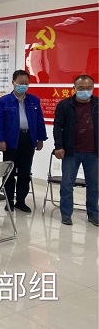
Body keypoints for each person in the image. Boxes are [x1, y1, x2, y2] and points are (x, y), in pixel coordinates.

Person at [0, 70, 47, 213]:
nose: (23, 85)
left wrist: (41, 138)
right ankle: (9, 201)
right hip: (10, 140)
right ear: (13, 83)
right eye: (20, 83)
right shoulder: (3, 101)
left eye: (26, 83)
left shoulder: (34, 100)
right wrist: (0, 140)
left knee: (25, 172)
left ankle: (21, 201)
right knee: (9, 172)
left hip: (28, 139)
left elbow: (39, 121)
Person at [53, 74, 98, 226]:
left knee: (94, 186)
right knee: (67, 185)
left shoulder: (97, 104)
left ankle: (93, 214)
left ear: (93, 88)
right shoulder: (65, 105)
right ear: (74, 88)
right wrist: (58, 146)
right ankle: (66, 214)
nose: (85, 91)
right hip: (71, 152)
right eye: (81, 88)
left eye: (88, 88)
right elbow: (57, 127)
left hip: (94, 152)